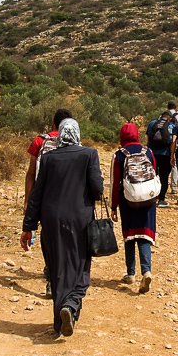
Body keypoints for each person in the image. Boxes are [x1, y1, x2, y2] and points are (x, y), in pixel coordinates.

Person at [21, 118, 103, 337]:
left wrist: (28, 226)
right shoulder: (89, 154)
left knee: (57, 268)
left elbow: (36, 194)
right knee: (80, 265)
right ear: (76, 133)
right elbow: (97, 189)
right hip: (80, 219)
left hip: (51, 219)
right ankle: (72, 304)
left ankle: (60, 320)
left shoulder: (47, 158)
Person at [24, 107, 72, 298]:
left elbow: (30, 174)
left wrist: (29, 200)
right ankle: (62, 274)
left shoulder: (39, 141)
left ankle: (51, 275)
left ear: (53, 122)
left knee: (47, 235)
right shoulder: (74, 141)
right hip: (67, 196)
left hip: (44, 196)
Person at [109, 123, 157, 294]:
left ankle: (130, 274)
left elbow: (115, 183)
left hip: (128, 200)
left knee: (130, 235)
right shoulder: (148, 152)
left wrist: (113, 206)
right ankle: (147, 270)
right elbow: (154, 173)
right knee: (144, 234)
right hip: (148, 199)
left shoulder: (119, 155)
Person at [146, 106, 176, 208]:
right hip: (165, 154)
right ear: (170, 118)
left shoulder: (152, 124)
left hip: (152, 154)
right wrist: (172, 156)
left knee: (152, 176)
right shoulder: (171, 126)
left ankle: (151, 198)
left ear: (161, 117)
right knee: (164, 177)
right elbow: (172, 142)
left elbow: (148, 138)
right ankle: (161, 200)